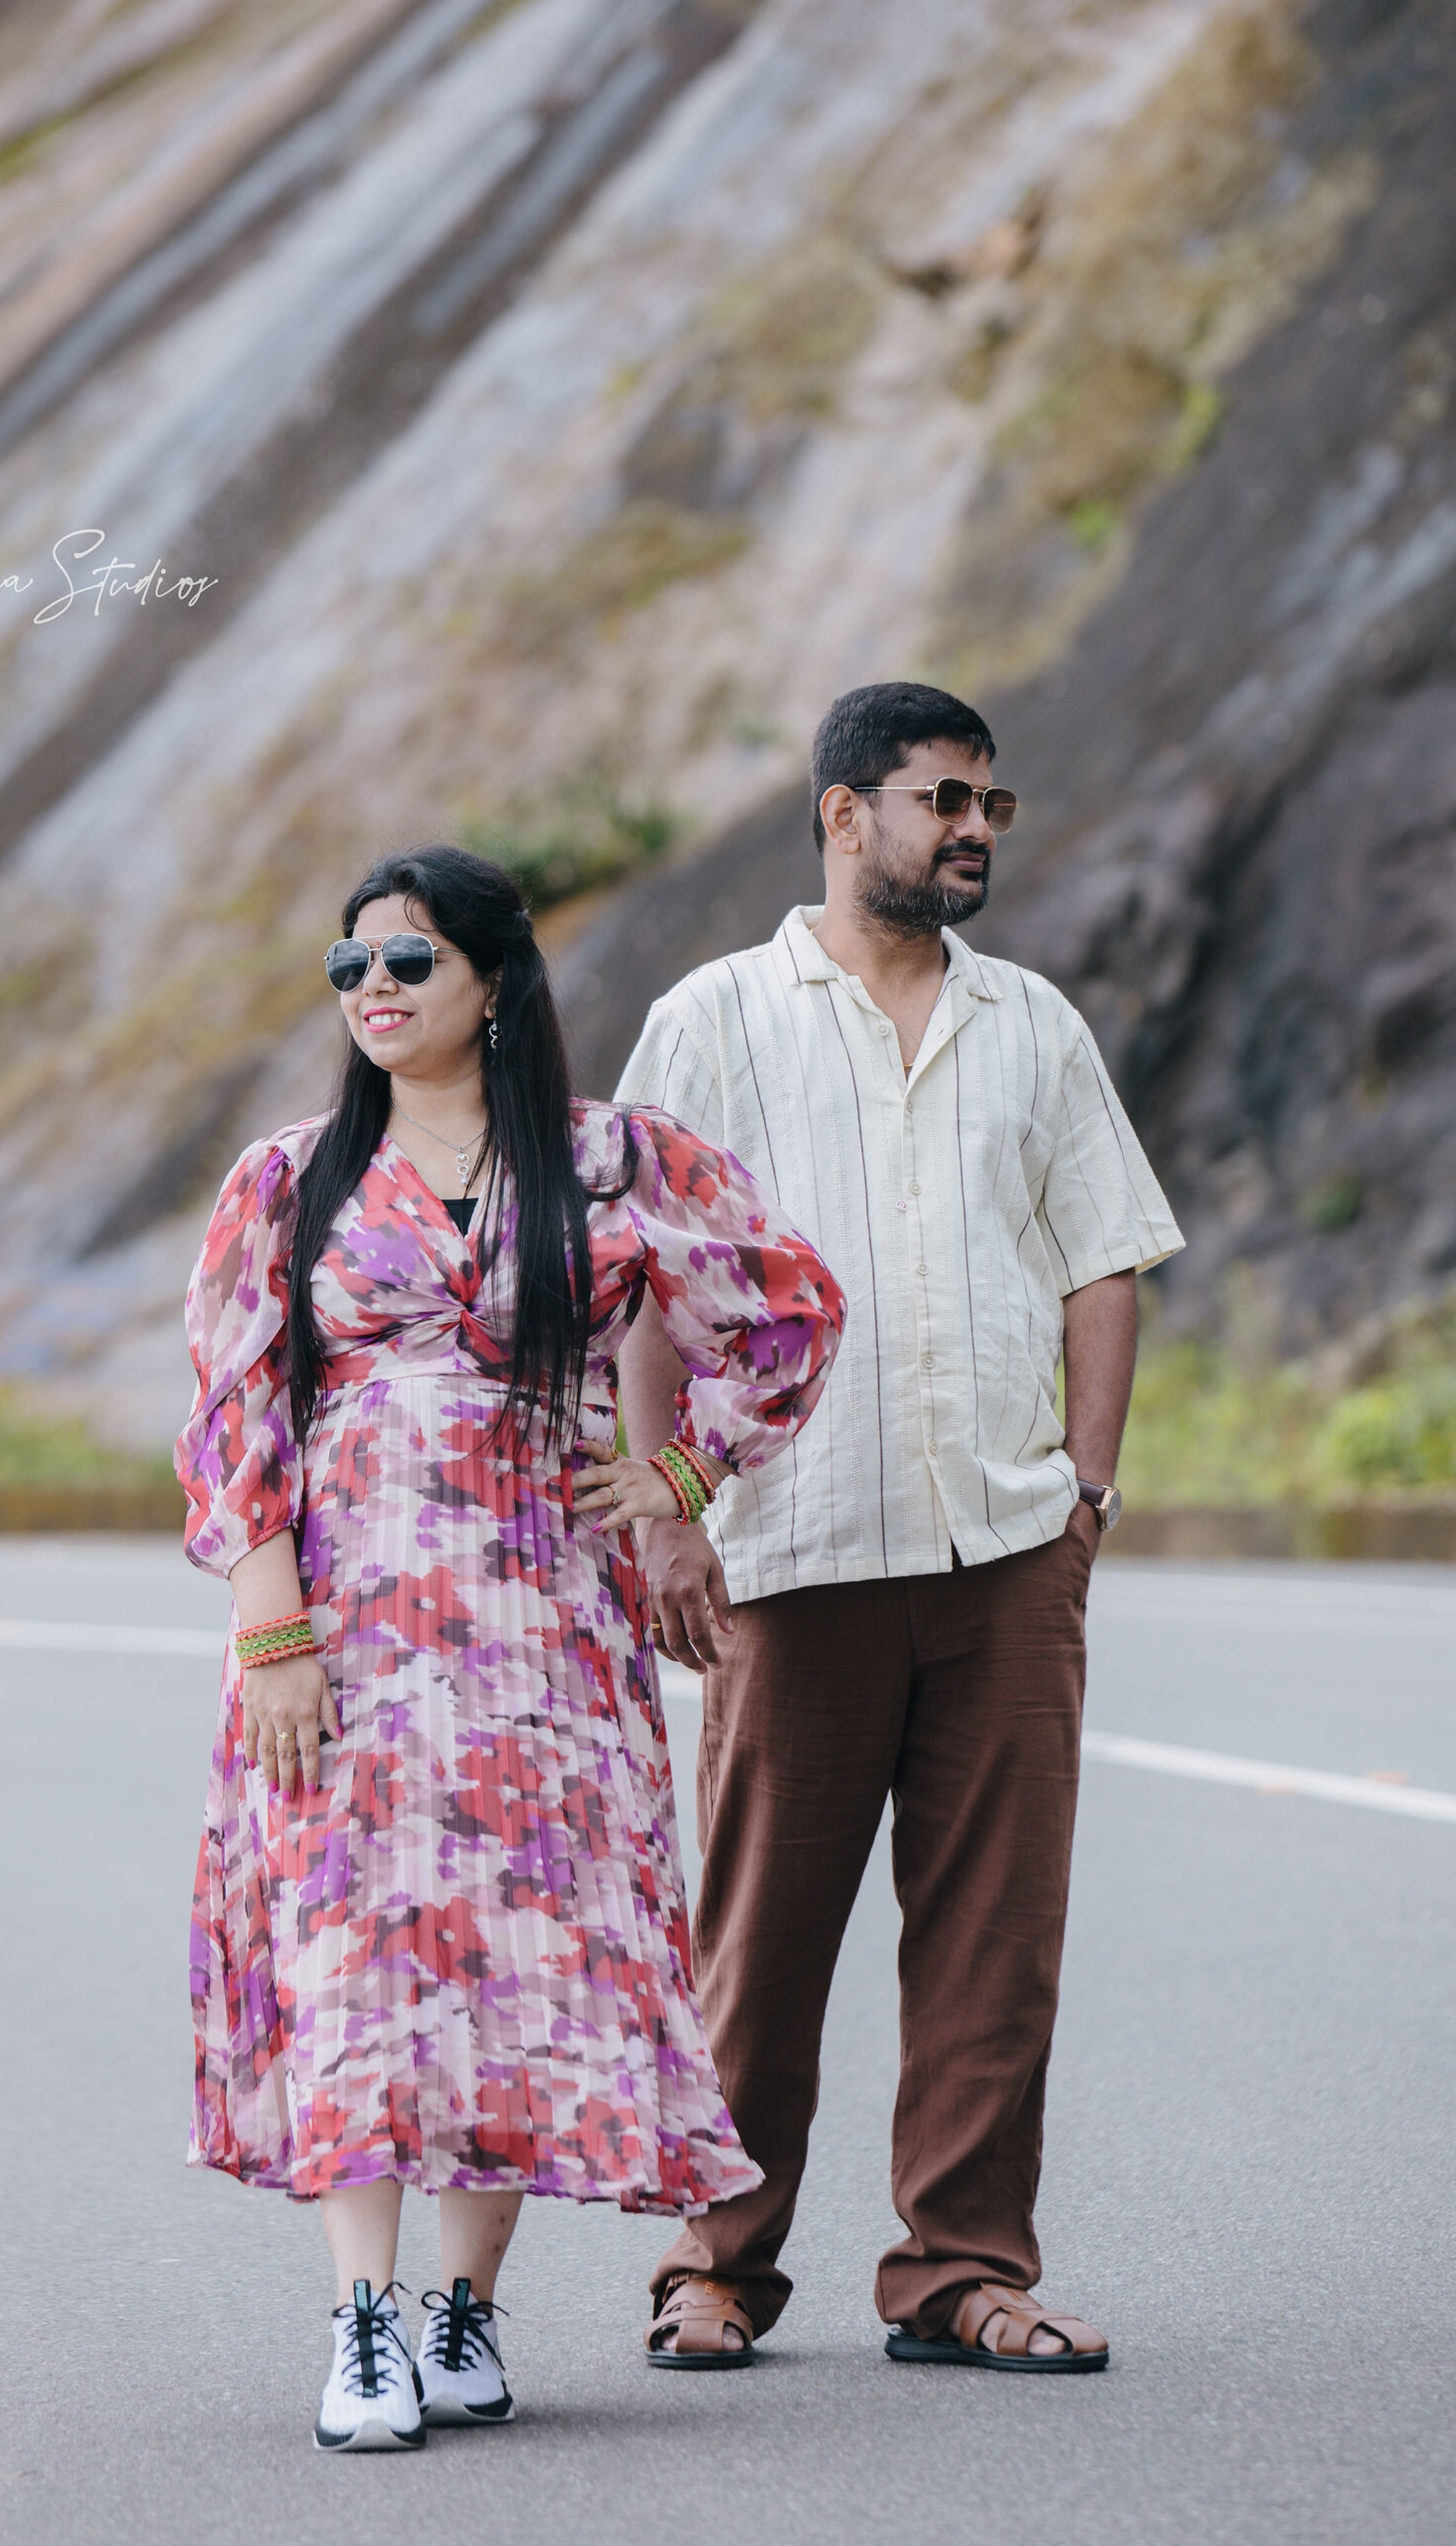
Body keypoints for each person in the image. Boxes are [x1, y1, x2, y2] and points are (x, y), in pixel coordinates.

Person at [175, 844, 844, 2451]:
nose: (375, 994)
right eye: (350, 972)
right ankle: (363, 2324)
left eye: (406, 963)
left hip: (547, 1631)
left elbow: (788, 1309)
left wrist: (682, 1471)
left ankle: (465, 2312)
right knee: (354, 1946)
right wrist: (273, 1631)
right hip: (349, 1622)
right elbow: (230, 1416)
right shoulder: (288, 1180)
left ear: (492, 982)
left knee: (520, 1959)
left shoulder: (611, 1163)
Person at [615, 680, 1183, 2373]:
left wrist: (1082, 1492)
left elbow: (1101, 1254)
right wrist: (662, 1507)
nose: (974, 831)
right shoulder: (717, 1018)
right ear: (843, 813)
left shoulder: (1032, 1024)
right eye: (945, 800)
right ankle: (717, 2261)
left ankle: (960, 2269)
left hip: (1006, 1553)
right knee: (762, 1934)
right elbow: (644, 1272)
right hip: (793, 1547)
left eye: (990, 807)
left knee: (996, 1938)